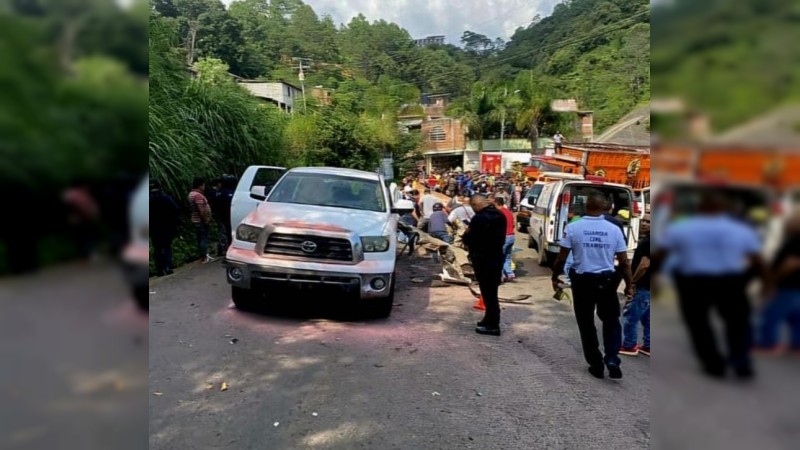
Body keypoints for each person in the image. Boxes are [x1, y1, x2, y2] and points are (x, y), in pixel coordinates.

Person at [654, 191, 766, 379]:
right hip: (731, 282)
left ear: (699, 208)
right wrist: (766, 283)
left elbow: (660, 255)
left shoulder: (680, 228)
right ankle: (741, 362)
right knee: (738, 323)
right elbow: (757, 261)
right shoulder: (741, 230)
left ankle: (714, 364)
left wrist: (653, 279)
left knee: (699, 324)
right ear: (723, 209)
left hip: (693, 283)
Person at [551, 191, 633, 379]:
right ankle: (612, 357)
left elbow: (561, 257)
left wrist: (555, 277)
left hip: (582, 282)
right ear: (604, 207)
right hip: (607, 281)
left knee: (586, 323)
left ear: (586, 206)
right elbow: (624, 261)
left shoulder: (574, 227)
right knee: (611, 320)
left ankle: (596, 364)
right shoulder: (614, 229)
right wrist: (629, 285)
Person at [463, 194, 507, 336]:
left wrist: (466, 234)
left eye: (473, 207)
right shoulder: (500, 215)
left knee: (489, 294)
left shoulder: (479, 218)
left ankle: (493, 325)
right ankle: (488, 319)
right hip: (496, 258)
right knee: (490, 292)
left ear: (476, 205)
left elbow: (468, 238)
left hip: (483, 259)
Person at [756, 212, 800, 353]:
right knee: (796, 317)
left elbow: (791, 264)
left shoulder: (796, 241)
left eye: (790, 221)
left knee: (771, 315)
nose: (786, 224)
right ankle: (796, 344)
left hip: (789, 285)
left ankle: (767, 343)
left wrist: (773, 280)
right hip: (795, 286)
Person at [620, 213, 651, 356]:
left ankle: (629, 345)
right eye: (643, 220)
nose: (644, 224)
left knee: (631, 317)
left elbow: (644, 265)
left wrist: (632, 282)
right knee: (648, 318)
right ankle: (649, 345)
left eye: (648, 222)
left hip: (643, 285)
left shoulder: (647, 243)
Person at [149, 180, 180, 276]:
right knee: (167, 247)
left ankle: (160, 270)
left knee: (157, 248)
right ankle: (168, 267)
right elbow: (175, 210)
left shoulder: (148, 200)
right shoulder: (166, 198)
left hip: (153, 228)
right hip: (166, 227)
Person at [188, 177, 216, 264]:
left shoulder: (191, 194)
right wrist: (206, 219)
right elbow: (201, 209)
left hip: (196, 220)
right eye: (203, 185)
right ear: (200, 185)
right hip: (201, 221)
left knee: (200, 238)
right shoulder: (198, 195)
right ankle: (204, 257)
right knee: (203, 238)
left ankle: (203, 256)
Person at [495, 196, 516, 282]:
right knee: (507, 257)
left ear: (496, 203)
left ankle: (501, 276)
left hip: (504, 237)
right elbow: (513, 224)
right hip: (511, 236)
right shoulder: (509, 212)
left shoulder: (499, 213)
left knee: (499, 257)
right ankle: (510, 274)